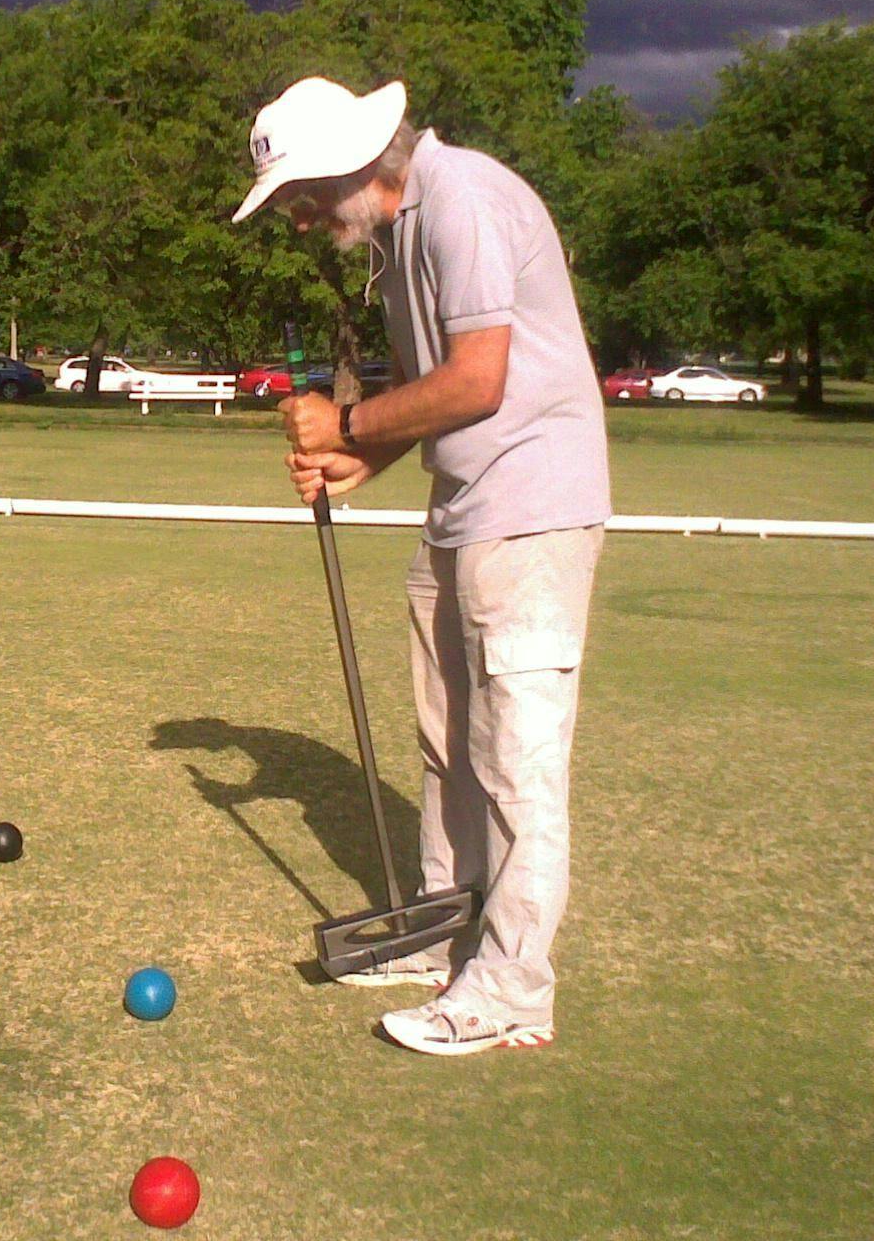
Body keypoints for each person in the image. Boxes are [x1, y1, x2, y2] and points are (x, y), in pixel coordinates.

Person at [231, 76, 610, 1056]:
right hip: (461, 513)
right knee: (446, 745)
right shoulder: (397, 244)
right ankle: (442, 935)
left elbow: (480, 379)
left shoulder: (464, 200)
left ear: (352, 167)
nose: (303, 224)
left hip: (531, 514)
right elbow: (430, 393)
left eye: (301, 201)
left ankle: (512, 986)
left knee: (514, 764)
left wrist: (345, 420)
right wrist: (358, 457)